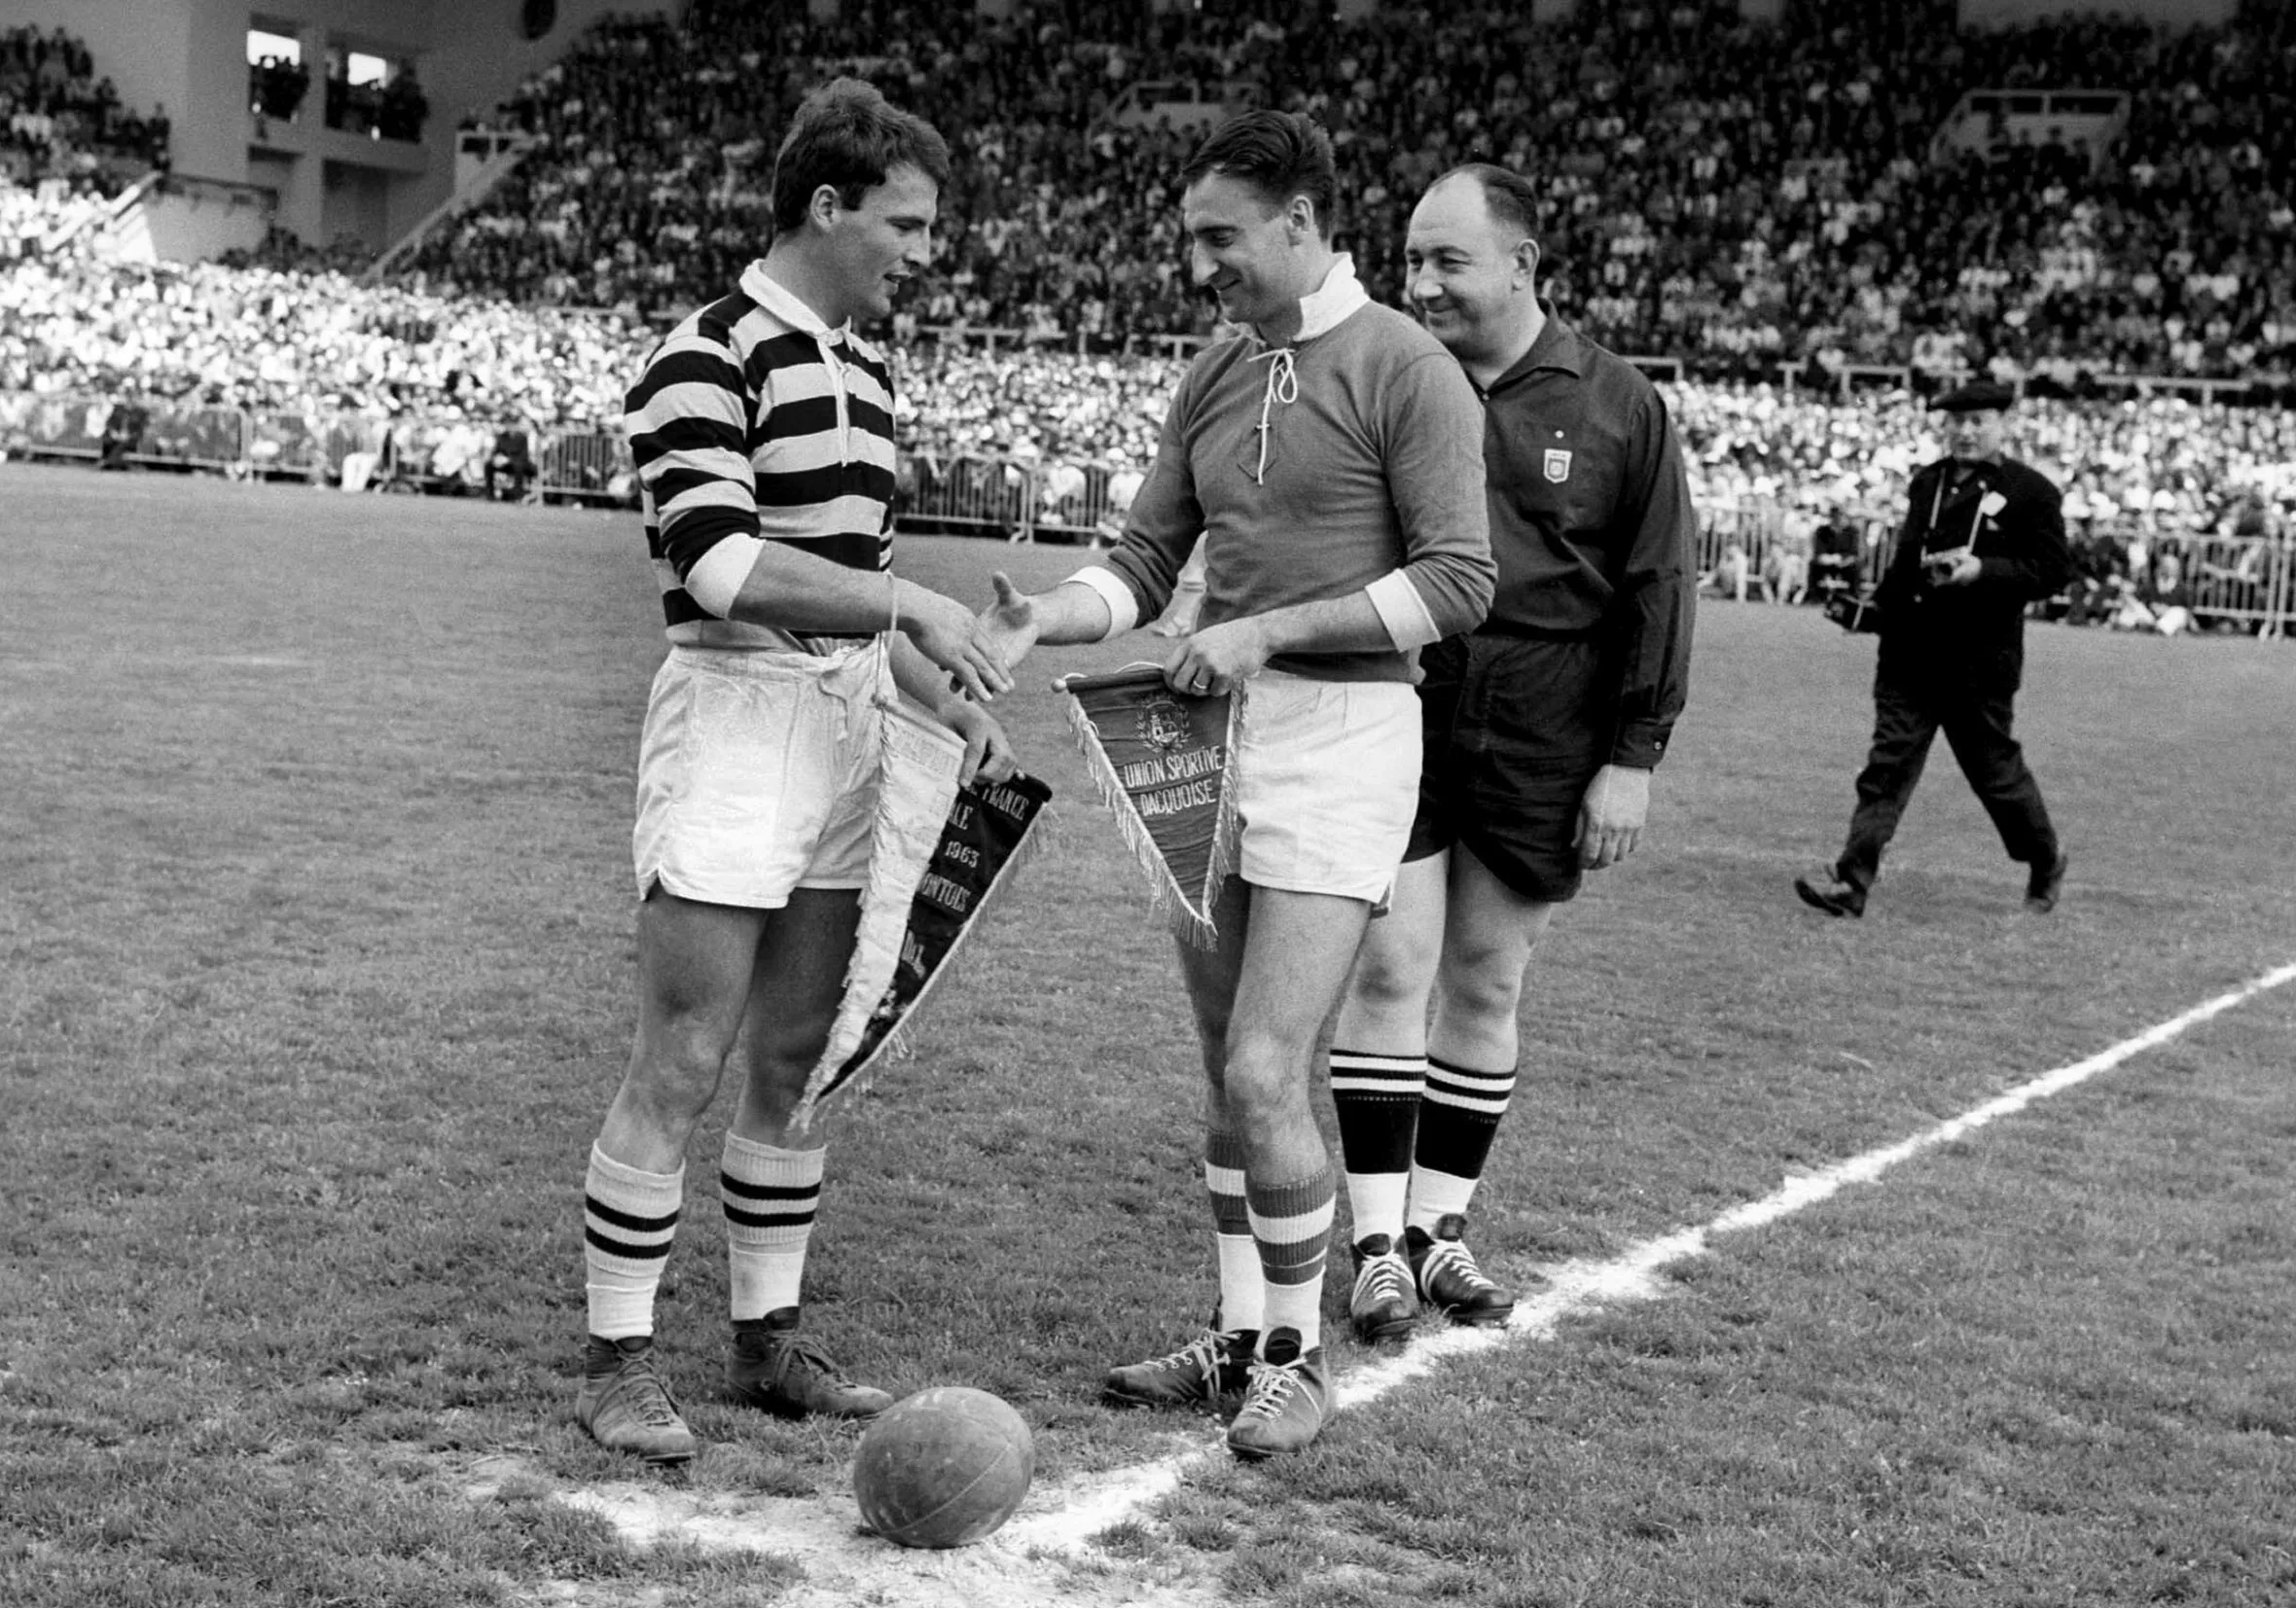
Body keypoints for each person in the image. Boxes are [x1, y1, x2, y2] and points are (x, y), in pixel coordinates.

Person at [979, 111, 1493, 1459]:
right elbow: (1144, 565)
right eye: (1193, 236)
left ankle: (1298, 1358)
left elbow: (1458, 581)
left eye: (1222, 236)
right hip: (1209, 738)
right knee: (1225, 1070)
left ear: (1303, 222)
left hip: (1345, 739)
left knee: (1272, 1066)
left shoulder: (1407, 368)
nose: (1200, 260)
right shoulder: (1214, 372)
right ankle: (1239, 1335)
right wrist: (1046, 613)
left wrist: (1267, 629)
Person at [574, 78, 1020, 1466]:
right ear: (825, 207)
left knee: (795, 1057)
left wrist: (946, 700)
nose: (924, 253)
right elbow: (718, 565)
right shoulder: (703, 354)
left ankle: (766, 1345)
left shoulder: (870, 373)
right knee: (685, 1051)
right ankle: (620, 1364)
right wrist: (912, 611)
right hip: (733, 721)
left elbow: (863, 594)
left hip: (844, 725)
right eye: (907, 223)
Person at [1328, 164, 1696, 1346]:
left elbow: (1656, 585)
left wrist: (1632, 753)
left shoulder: (1616, 403)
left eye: (1448, 260)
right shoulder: (1387, 372)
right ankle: (1374, 1246)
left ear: (1523, 265)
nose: (1420, 282)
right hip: (1403, 697)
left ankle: (1439, 1232)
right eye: (1410, 261)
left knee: (1485, 979)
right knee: (1390, 971)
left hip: (1548, 718)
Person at [1795, 379, 2070, 919]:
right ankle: (1852, 881)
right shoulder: (1929, 481)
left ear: (2003, 425)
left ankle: (2045, 858)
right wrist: (1869, 613)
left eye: (1978, 422)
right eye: (1957, 422)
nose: (1965, 432)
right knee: (1887, 768)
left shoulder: (2031, 490)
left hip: (1979, 662)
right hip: (1910, 654)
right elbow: (1905, 566)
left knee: (1995, 774)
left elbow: (2055, 571)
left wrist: (1983, 571)